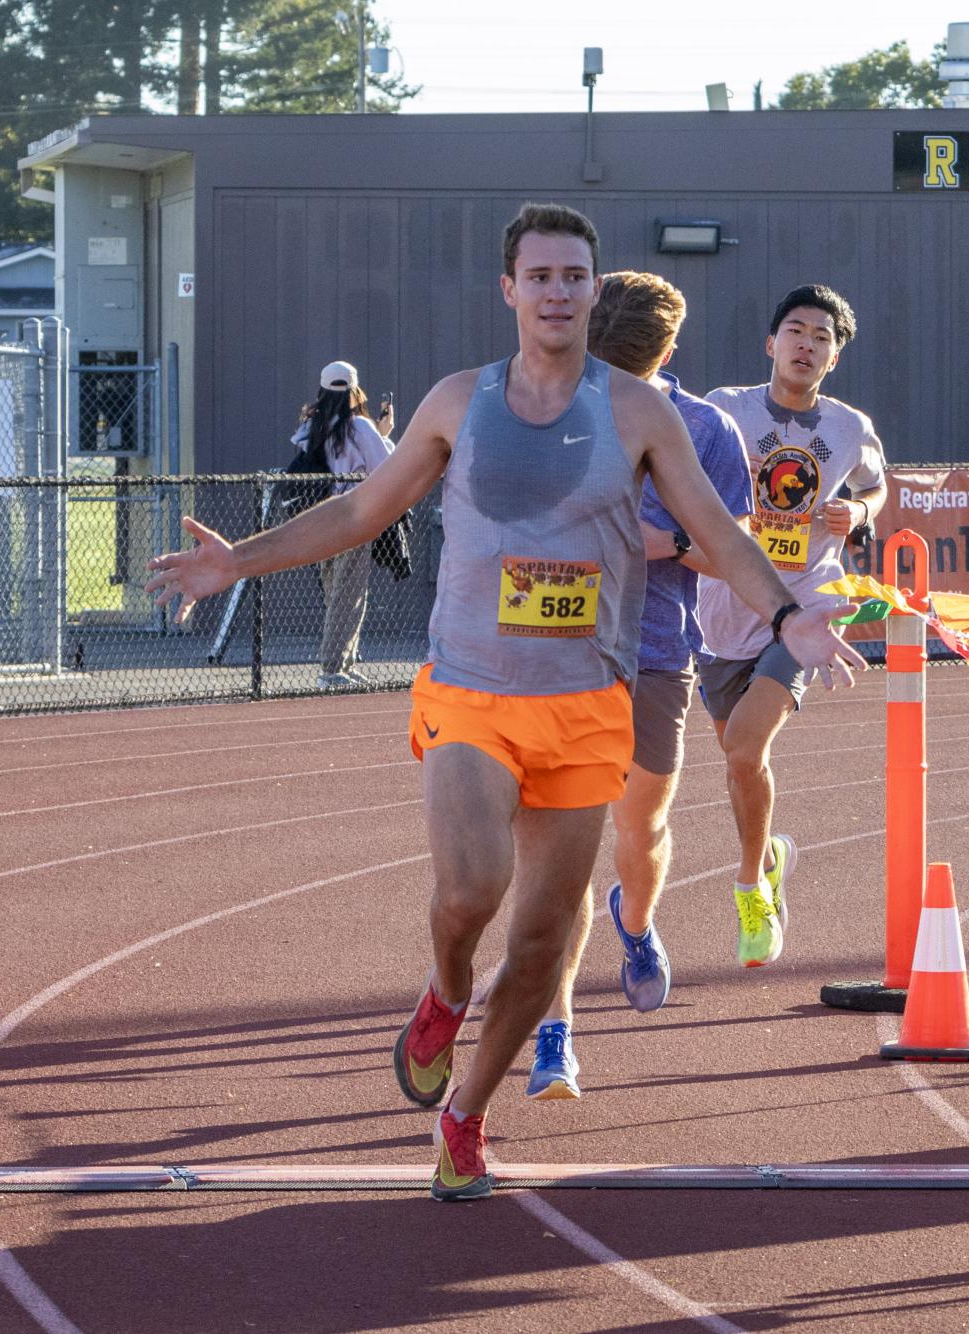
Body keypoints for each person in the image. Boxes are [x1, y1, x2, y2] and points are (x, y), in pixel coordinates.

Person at [146, 204, 863, 1203]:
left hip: (588, 703)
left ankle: (466, 1114)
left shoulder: (641, 414)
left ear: (592, 288)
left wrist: (788, 614)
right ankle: (444, 993)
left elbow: (718, 530)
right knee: (472, 892)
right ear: (510, 289)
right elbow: (364, 507)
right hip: (472, 691)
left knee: (540, 941)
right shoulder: (458, 402)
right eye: (541, 275)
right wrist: (240, 560)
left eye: (576, 275)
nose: (558, 291)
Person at [501, 270, 754, 1101]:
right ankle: (554, 1036)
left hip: (652, 655)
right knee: (554, 863)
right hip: (553, 657)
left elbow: (735, 557)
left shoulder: (707, 430)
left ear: (667, 359)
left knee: (638, 834)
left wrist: (665, 540)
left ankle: (636, 924)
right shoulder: (536, 407)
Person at [697, 285, 888, 968]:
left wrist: (859, 513)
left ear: (833, 357)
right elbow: (673, 470)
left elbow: (874, 483)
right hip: (722, 606)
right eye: (795, 331)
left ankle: (748, 888)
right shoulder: (723, 409)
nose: (806, 345)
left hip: (803, 606)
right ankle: (769, 856)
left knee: (746, 748)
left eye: (821, 337)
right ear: (770, 343)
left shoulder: (846, 426)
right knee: (738, 761)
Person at [291, 361, 396, 688]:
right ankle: (333, 668)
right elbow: (388, 467)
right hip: (353, 517)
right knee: (349, 594)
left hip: (320, 517)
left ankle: (343, 663)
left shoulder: (312, 427)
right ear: (354, 390)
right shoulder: (361, 427)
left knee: (334, 592)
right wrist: (385, 435)